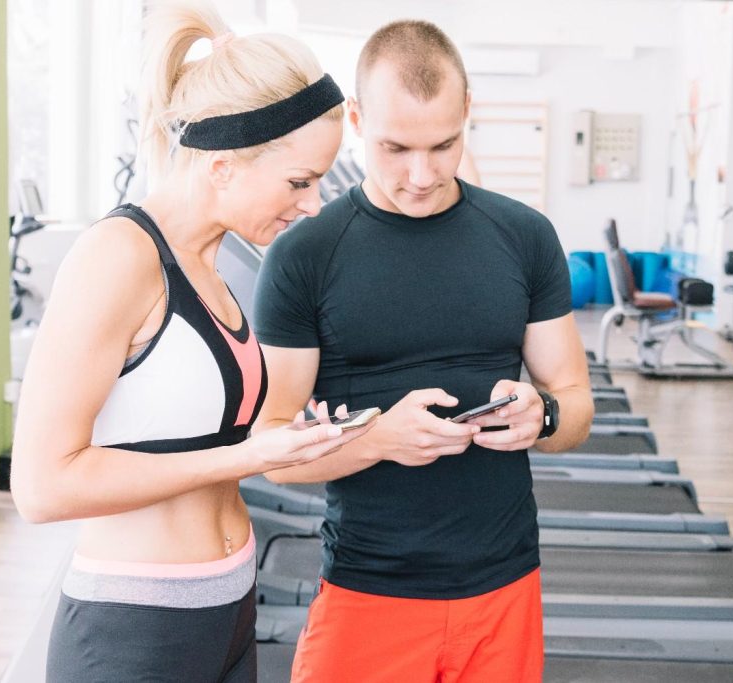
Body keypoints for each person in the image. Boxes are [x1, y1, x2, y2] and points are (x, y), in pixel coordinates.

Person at [8, 2, 370, 681]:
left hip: (227, 609)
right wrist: (246, 454)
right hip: (136, 626)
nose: (314, 203)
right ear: (224, 165)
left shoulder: (211, 264)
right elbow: (41, 485)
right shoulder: (119, 256)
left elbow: (189, 429)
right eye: (299, 181)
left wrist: (291, 438)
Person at [253, 19, 594, 683]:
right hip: (367, 589)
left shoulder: (525, 236)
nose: (421, 174)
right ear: (357, 120)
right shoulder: (303, 255)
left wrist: (543, 414)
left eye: (443, 145)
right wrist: (380, 439)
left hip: (505, 586)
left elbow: (575, 405)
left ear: (467, 111)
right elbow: (271, 449)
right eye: (396, 147)